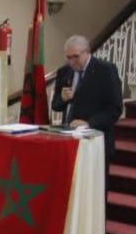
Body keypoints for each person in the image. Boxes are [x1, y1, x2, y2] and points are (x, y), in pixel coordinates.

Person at [51, 35, 122, 168]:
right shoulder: (64, 71)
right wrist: (63, 98)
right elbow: (56, 105)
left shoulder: (105, 70)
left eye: (76, 57)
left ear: (87, 51)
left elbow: (114, 109)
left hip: (95, 142)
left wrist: (88, 123)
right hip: (69, 140)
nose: (72, 62)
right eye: (68, 57)